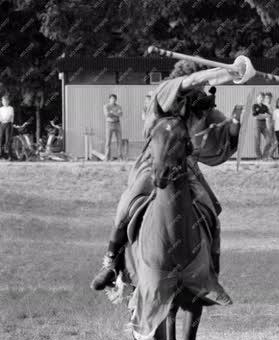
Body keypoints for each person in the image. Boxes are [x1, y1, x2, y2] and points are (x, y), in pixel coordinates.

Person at [90, 55, 256, 305]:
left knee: (212, 210)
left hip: (186, 167)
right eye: (196, 84)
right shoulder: (164, 92)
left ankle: (210, 276)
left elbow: (215, 143)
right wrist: (229, 71)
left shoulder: (195, 104)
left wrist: (232, 125)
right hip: (153, 163)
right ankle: (111, 263)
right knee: (128, 203)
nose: (198, 88)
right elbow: (193, 79)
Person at [103, 94, 123, 160]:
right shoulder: (106, 106)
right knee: (108, 141)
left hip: (117, 124)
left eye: (114, 99)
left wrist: (112, 113)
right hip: (109, 124)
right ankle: (107, 157)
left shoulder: (118, 106)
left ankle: (120, 157)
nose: (113, 100)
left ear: (116, 99)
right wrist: (115, 113)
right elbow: (107, 114)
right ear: (109, 99)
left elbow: (121, 114)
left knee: (119, 141)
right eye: (111, 99)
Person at [252, 92, 271, 159]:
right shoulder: (254, 106)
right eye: (260, 97)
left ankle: (264, 156)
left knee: (269, 141)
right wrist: (263, 115)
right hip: (257, 125)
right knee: (257, 142)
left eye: (262, 98)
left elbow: (268, 115)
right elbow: (255, 116)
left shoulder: (265, 107)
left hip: (264, 125)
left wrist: (260, 115)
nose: (261, 99)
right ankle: (259, 157)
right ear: (257, 98)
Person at [0, 95, 14, 160]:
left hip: (8, 124)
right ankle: (1, 154)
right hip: (2, 124)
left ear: (8, 101)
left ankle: (9, 156)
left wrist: (6, 120)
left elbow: (11, 116)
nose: (5, 102)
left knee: (7, 139)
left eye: (6, 101)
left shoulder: (11, 108)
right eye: (3, 101)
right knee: (0, 138)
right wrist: (2, 120)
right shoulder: (1, 109)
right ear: (2, 102)